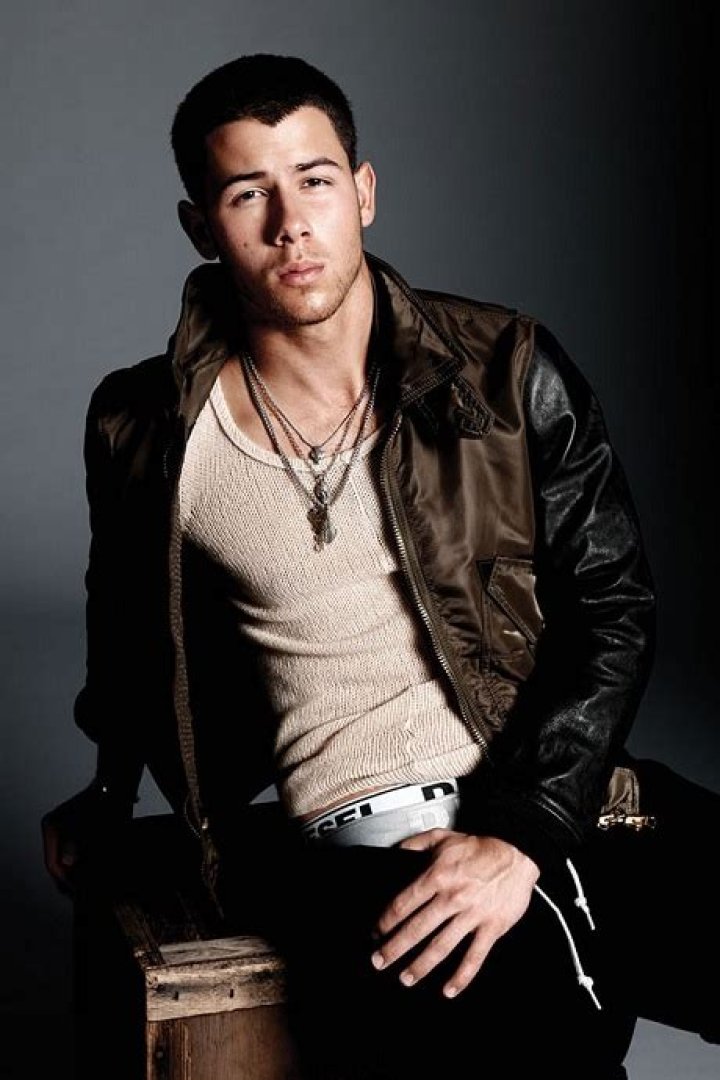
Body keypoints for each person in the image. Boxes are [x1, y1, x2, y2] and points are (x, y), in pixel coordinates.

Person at [41, 54, 718, 1079]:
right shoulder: (147, 429)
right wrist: (107, 793)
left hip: (563, 789)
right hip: (371, 851)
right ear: (200, 227)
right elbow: (128, 629)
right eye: (247, 194)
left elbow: (611, 606)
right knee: (539, 1044)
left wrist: (523, 832)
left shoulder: (505, 369)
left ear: (362, 191)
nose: (291, 224)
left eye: (314, 180)